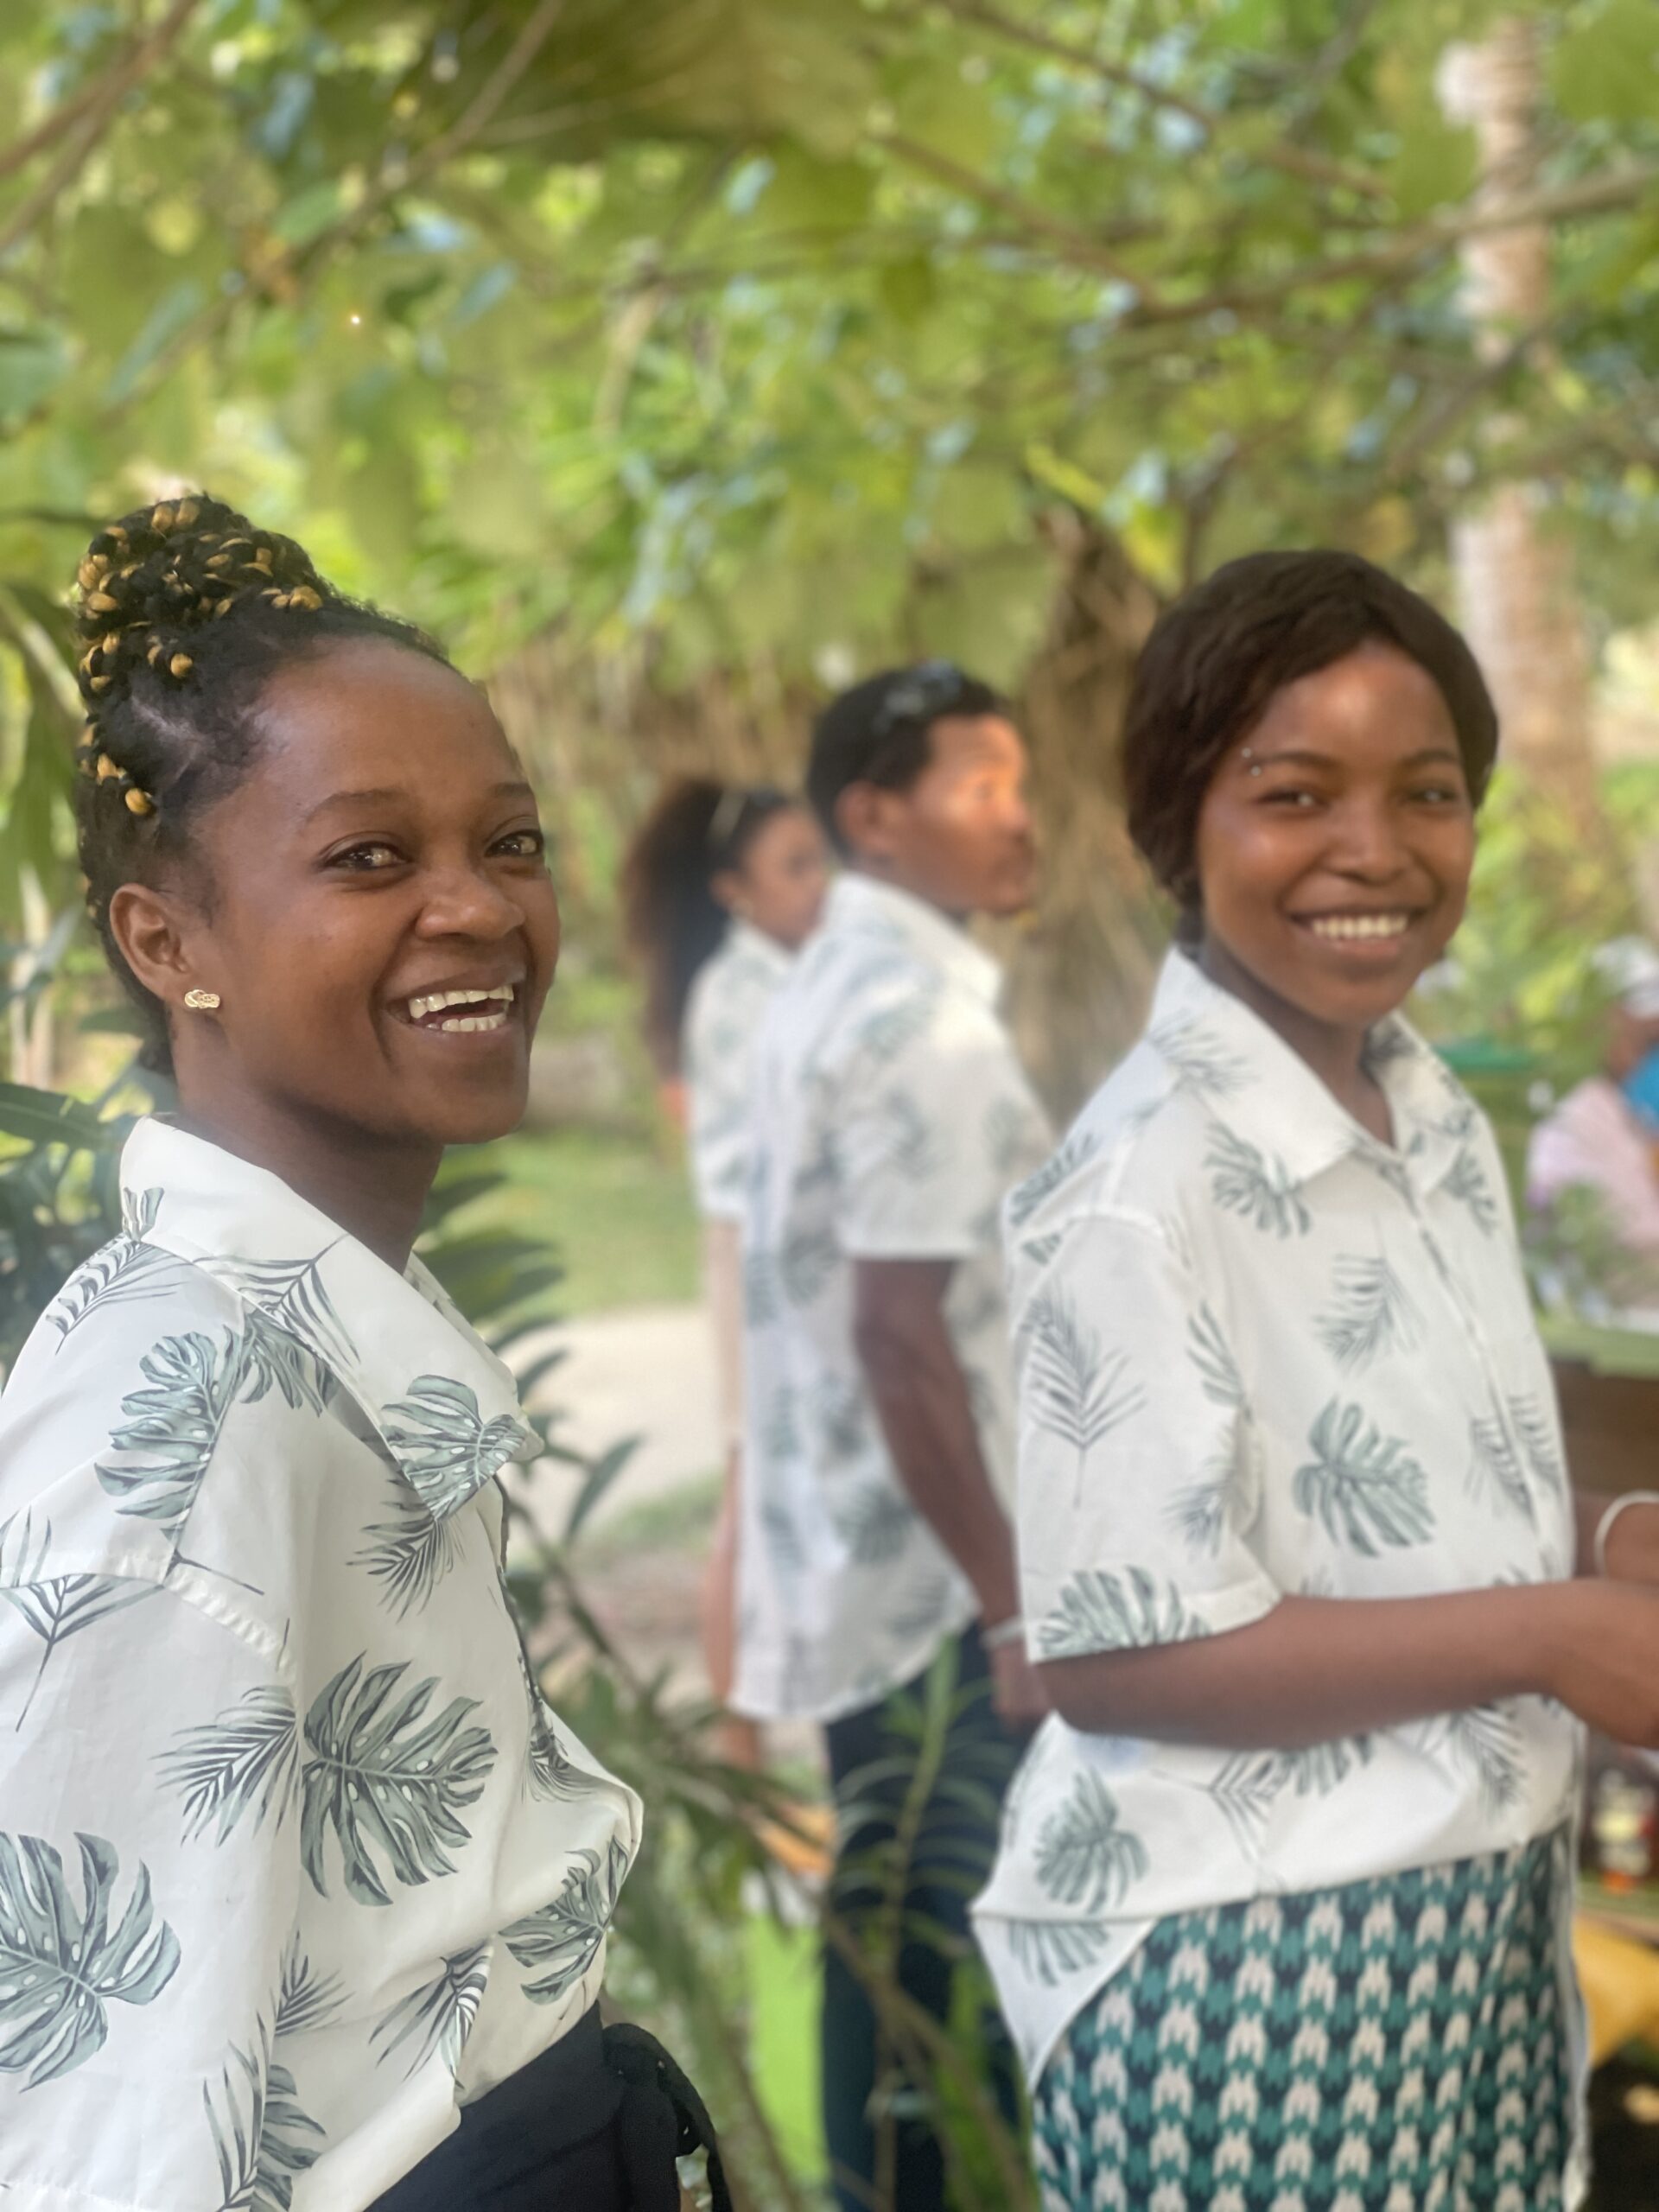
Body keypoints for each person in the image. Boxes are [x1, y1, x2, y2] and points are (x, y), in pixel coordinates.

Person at [0, 497, 726, 2212]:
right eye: (369, 859)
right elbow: (91, 2134)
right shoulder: (185, 1434)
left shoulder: (323, 1330)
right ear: (168, 944)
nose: (478, 909)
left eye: (513, 842)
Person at [972, 550, 1659, 2212]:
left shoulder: (1429, 1118)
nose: (1375, 848)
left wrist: (1603, 1530)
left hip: (1476, 1927)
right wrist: (1556, 1633)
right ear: (1175, 827)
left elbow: (1390, 1475)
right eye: (1296, 794)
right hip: (1245, 1965)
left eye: (1428, 792)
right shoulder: (1140, 1187)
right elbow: (1116, 1648)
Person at [734, 661, 1053, 2211]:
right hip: (935, 1586)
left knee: (886, 1956)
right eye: (980, 788)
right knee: (951, 1986)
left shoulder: (833, 989)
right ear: (875, 816)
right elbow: (898, 1332)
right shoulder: (920, 1018)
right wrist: (1008, 1594)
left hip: (866, 1561)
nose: (1021, 816)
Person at [620, 779, 828, 1746]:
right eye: (796, 866)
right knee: (751, 1490)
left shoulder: (794, 977)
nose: (820, 884)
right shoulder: (743, 995)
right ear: (736, 888)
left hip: (800, 1255)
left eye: (823, 860)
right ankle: (740, 1752)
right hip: (760, 1258)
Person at [1527, 936, 1659, 1325]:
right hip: (1620, 1327)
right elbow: (1615, 1248)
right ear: (1596, 1027)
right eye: (1644, 1038)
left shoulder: (1634, 1114)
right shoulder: (1566, 1124)